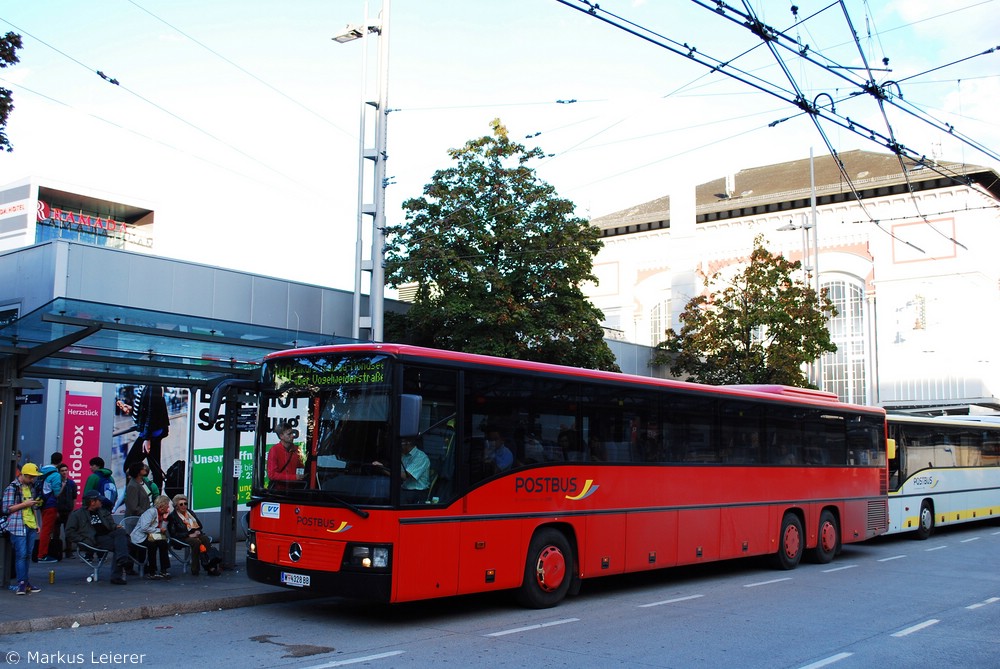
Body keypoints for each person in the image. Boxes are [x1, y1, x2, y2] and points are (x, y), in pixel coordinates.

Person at [64, 490, 131, 585]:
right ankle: (120, 567)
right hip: (94, 538)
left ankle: (122, 559)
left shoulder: (103, 511)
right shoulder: (77, 514)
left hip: (109, 534)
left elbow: (111, 524)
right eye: (99, 500)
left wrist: (115, 526)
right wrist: (83, 540)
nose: (101, 502)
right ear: (92, 502)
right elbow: (69, 532)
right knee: (121, 544)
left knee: (121, 533)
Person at [1, 462, 44, 595]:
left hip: (30, 524)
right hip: (18, 525)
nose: (33, 479)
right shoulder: (12, 488)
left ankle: (25, 582)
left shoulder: (30, 488)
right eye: (30, 477)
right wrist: (25, 504)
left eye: (34, 477)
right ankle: (21, 582)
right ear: (23, 475)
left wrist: (37, 524)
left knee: (27, 555)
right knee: (21, 554)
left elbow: (33, 507)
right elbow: (6, 509)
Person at [123, 385, 170, 491]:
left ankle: (140, 494)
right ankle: (156, 498)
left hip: (151, 433)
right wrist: (132, 409)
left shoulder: (152, 386)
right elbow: (145, 407)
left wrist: (147, 438)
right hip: (151, 432)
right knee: (155, 467)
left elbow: (151, 412)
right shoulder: (147, 384)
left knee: (129, 466)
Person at [373, 437, 431, 504]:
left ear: (408, 443)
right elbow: (397, 474)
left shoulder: (420, 457)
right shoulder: (403, 455)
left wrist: (383, 469)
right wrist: (382, 467)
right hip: (404, 489)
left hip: (416, 493)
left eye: (401, 443)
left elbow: (404, 476)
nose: (399, 445)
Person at [166, 494, 213, 575]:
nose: (184, 506)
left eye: (185, 503)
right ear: (176, 506)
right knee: (196, 542)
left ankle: (211, 565)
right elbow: (174, 534)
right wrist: (188, 535)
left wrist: (197, 531)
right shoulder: (172, 516)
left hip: (194, 534)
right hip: (182, 537)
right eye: (181, 504)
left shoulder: (190, 512)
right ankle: (195, 569)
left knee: (205, 539)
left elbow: (199, 525)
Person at [129, 494, 172, 579]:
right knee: (152, 545)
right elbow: (144, 527)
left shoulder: (162, 514)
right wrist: (159, 530)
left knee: (163, 543)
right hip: (141, 536)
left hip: (152, 535)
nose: (168, 507)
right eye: (167, 504)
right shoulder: (151, 512)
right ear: (162, 505)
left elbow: (163, 529)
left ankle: (164, 569)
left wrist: (165, 519)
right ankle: (152, 571)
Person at [35, 453, 64, 563]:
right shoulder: (56, 475)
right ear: (60, 462)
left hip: (42, 503)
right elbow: (56, 493)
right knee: (46, 530)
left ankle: (42, 553)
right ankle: (42, 555)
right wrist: (63, 485)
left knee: (45, 529)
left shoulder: (42, 471)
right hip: (50, 504)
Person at [266, 421, 304, 486]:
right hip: (280, 491)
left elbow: (301, 467)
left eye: (292, 433)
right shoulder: (274, 450)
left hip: (296, 489)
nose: (292, 436)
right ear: (281, 436)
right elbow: (272, 475)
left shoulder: (297, 449)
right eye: (289, 434)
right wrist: (294, 477)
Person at [55, 463, 78, 559]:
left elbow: (74, 497)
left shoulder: (72, 483)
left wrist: (73, 509)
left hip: (68, 510)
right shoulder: (56, 483)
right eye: (62, 470)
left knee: (68, 532)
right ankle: (56, 552)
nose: (64, 472)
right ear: (59, 472)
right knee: (56, 533)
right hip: (58, 510)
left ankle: (69, 552)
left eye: (66, 470)